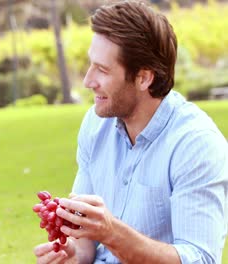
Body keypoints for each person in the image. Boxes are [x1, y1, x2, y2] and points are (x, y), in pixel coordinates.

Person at [34, 1, 228, 263]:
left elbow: (200, 258)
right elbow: (85, 238)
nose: (88, 81)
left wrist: (113, 233)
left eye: (102, 70)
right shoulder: (95, 124)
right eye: (91, 65)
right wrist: (74, 254)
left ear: (144, 78)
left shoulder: (196, 144)